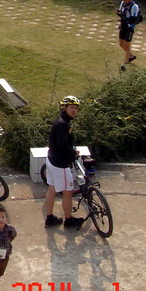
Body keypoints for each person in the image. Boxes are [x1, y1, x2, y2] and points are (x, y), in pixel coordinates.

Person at [43, 95, 84, 229]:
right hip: (60, 165)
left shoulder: (61, 122)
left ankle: (49, 218)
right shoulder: (62, 124)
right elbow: (63, 146)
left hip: (52, 160)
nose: (74, 110)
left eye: (76, 108)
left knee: (52, 190)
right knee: (68, 192)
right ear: (64, 108)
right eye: (71, 107)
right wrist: (74, 153)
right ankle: (69, 220)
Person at [117, 0, 141, 70]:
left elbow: (133, 19)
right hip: (123, 25)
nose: (123, 0)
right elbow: (120, 12)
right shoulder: (122, 3)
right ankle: (131, 56)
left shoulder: (134, 6)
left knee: (127, 45)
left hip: (129, 27)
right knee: (121, 44)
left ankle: (125, 64)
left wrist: (127, 20)